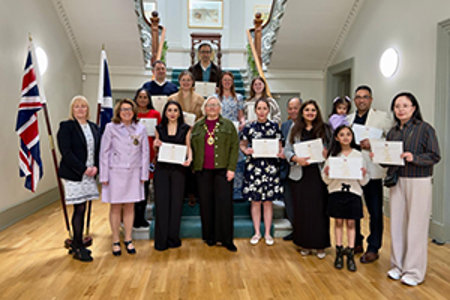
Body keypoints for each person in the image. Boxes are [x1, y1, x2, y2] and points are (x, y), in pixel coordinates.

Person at [384, 92, 440, 286]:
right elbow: (389, 160)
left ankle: (414, 271)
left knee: (416, 226)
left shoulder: (425, 129)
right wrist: (380, 156)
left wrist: (413, 157)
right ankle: (397, 266)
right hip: (397, 181)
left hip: (419, 181)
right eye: (397, 106)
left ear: (414, 108)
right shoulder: (393, 132)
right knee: (397, 225)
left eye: (405, 105)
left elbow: (434, 155)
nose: (400, 109)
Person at [347, 85, 393, 263]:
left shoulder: (382, 118)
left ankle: (374, 247)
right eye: (358, 97)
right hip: (353, 170)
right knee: (354, 209)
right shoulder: (348, 119)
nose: (361, 100)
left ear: (371, 99)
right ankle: (356, 241)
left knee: (375, 211)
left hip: (373, 171)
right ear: (354, 100)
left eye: (365, 97)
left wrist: (373, 144)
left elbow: (391, 140)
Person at [99, 99, 149, 256]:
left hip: (134, 172)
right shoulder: (110, 128)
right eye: (123, 109)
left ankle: (128, 238)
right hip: (115, 173)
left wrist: (144, 174)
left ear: (134, 111)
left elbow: (145, 153)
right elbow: (104, 152)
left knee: (130, 207)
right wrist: (104, 175)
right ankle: (115, 239)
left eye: (129, 109)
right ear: (118, 112)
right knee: (115, 207)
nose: (126, 112)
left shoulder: (141, 128)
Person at [284, 100, 332, 259]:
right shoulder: (294, 128)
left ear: (317, 112)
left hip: (318, 174)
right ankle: (303, 243)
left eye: (313, 110)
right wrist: (296, 159)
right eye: (307, 110)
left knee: (319, 210)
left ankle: (320, 245)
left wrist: (327, 154)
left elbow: (333, 148)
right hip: (300, 174)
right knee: (302, 210)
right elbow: (286, 150)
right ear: (302, 112)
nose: (310, 113)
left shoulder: (325, 128)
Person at [191, 96, 239, 251]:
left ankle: (226, 239)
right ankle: (209, 236)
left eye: (215, 105)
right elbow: (191, 147)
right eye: (209, 105)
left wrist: (231, 168)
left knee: (224, 205)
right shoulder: (197, 126)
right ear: (204, 108)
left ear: (220, 108)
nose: (211, 108)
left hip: (223, 171)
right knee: (206, 205)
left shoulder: (229, 125)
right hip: (202, 172)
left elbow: (234, 147)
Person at [57, 95, 100, 262]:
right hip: (74, 174)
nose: (80, 109)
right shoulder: (67, 126)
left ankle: (76, 243)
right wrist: (83, 169)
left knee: (82, 208)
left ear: (88, 109)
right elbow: (66, 152)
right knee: (79, 208)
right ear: (72, 110)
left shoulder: (94, 127)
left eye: (83, 106)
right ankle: (78, 246)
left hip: (90, 173)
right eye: (77, 106)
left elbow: (97, 150)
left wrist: (96, 167)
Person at [322, 125, 369, 271]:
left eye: (348, 134)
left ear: (352, 137)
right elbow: (326, 180)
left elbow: (364, 181)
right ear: (336, 138)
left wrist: (362, 174)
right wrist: (328, 173)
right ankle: (339, 251)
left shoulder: (358, 155)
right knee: (338, 222)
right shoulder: (333, 156)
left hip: (353, 193)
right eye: (341, 134)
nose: (345, 137)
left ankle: (350, 252)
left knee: (351, 223)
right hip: (336, 192)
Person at [240, 99, 284, 246]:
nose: (262, 111)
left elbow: (280, 146)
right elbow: (243, 144)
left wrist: (280, 152)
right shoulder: (249, 127)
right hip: (254, 167)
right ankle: (257, 232)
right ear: (255, 110)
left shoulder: (275, 127)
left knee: (268, 202)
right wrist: (247, 151)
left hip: (270, 167)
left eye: (265, 108)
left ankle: (267, 234)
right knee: (256, 201)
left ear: (269, 110)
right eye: (259, 108)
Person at [153, 101, 192, 251]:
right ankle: (161, 241)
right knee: (162, 205)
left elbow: (189, 147)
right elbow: (156, 151)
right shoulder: (159, 128)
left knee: (176, 205)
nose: (172, 113)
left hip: (179, 170)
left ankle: (173, 238)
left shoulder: (185, 128)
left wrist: (190, 159)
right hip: (162, 170)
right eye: (169, 110)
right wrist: (155, 144)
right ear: (165, 112)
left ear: (180, 113)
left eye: (176, 110)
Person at [132, 88, 161, 228]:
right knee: (134, 188)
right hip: (133, 155)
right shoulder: (131, 114)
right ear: (136, 99)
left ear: (149, 100)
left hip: (150, 155)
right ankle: (133, 217)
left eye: (145, 97)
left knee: (144, 188)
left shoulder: (155, 114)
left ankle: (141, 217)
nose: (143, 99)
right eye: (140, 97)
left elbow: (159, 134)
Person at [214, 71, 245, 200]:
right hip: (219, 132)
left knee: (235, 158)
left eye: (229, 80)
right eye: (224, 80)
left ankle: (236, 191)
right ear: (221, 82)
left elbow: (241, 115)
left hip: (234, 131)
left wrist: (243, 122)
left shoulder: (238, 97)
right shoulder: (215, 97)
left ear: (232, 82)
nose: (227, 82)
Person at [280, 97, 302, 241]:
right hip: (286, 169)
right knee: (289, 201)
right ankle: (295, 229)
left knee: (301, 202)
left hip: (302, 170)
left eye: (296, 108)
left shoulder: (306, 125)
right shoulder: (285, 125)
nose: (293, 111)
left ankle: (302, 231)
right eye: (290, 108)